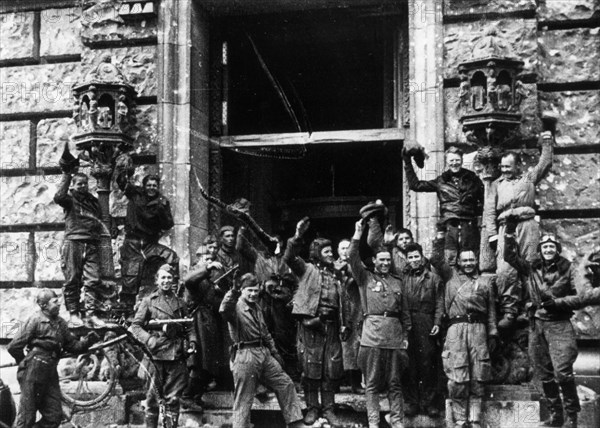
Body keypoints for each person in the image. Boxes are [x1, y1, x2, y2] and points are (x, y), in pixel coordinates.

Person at [504, 225, 581, 428]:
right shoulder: (532, 267)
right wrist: (509, 234)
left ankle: (572, 416)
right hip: (537, 324)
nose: (548, 250)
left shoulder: (568, 268)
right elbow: (510, 257)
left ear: (557, 249)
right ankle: (556, 415)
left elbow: (579, 296)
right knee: (544, 373)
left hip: (559, 325)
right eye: (544, 246)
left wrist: (558, 303)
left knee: (562, 371)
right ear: (540, 249)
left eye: (551, 246)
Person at [483, 131, 554, 328]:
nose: (504, 170)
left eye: (508, 167)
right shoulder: (496, 186)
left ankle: (528, 308)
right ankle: (510, 310)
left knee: (530, 265)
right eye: (502, 167)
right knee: (505, 270)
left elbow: (545, 162)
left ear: (518, 166)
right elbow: (489, 212)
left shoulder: (529, 179)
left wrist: (547, 140)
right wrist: (492, 235)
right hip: (506, 228)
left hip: (528, 227)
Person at [219, 273, 304, 428]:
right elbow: (224, 309)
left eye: (256, 291)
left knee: (285, 383)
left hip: (263, 353)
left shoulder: (257, 307)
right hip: (245, 354)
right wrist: (233, 291)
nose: (253, 294)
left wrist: (275, 352)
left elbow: (265, 333)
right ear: (242, 290)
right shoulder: (236, 307)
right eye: (249, 290)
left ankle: (295, 423)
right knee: (243, 399)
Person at [349, 220, 411, 428]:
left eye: (387, 260)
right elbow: (352, 257)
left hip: (394, 337)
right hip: (373, 336)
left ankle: (397, 421)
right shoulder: (365, 277)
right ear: (374, 261)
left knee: (395, 383)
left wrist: (405, 338)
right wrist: (358, 235)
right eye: (381, 260)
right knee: (372, 384)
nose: (385, 263)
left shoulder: (397, 281)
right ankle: (373, 422)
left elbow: (404, 313)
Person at [284, 217, 346, 425]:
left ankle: (329, 409)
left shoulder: (337, 274)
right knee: (311, 368)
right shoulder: (307, 269)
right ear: (318, 253)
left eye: (332, 251)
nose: (331, 254)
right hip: (312, 325)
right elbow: (290, 257)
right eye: (327, 251)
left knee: (331, 368)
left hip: (332, 326)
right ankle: (312, 408)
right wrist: (298, 235)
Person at [8, 289, 100, 428]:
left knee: (54, 416)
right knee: (27, 418)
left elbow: (72, 346)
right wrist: (25, 363)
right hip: (33, 371)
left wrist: (89, 340)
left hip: (50, 372)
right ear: (44, 305)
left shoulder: (61, 323)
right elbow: (14, 346)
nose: (59, 304)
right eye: (55, 302)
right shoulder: (35, 320)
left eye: (59, 301)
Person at [431, 235, 498, 428]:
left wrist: (492, 332)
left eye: (471, 260)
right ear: (458, 262)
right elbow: (435, 258)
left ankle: (475, 419)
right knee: (457, 377)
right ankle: (460, 420)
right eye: (465, 260)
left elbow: (492, 310)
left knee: (478, 375)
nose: (468, 263)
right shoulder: (450, 276)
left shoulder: (485, 282)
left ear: (476, 261)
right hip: (456, 330)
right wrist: (440, 236)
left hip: (479, 330)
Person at [129, 264, 196, 428]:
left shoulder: (181, 303)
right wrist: (149, 339)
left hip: (176, 355)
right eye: (163, 278)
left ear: (173, 281)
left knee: (173, 399)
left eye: (169, 278)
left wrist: (193, 341)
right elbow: (135, 326)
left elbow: (189, 327)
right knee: (152, 399)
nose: (166, 281)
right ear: (157, 280)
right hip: (155, 356)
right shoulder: (148, 302)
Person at [404, 146, 484, 266]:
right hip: (449, 228)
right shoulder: (441, 181)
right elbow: (416, 185)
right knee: (449, 262)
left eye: (457, 160)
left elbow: (483, 201)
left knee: (470, 260)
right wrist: (407, 161)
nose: (454, 163)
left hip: (469, 228)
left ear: (462, 160)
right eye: (451, 160)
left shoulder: (473, 179)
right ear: (447, 162)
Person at [116, 170, 178, 314]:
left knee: (171, 257)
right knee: (131, 276)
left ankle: (172, 295)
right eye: (149, 185)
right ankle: (127, 311)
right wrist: (124, 168)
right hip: (133, 243)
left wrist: (162, 210)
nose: (151, 188)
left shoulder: (162, 202)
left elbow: (168, 224)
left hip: (150, 244)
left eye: (154, 185)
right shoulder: (135, 194)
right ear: (144, 186)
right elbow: (121, 182)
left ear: (158, 187)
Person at [54, 170, 105, 328]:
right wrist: (67, 175)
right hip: (74, 242)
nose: (83, 186)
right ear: (73, 186)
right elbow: (58, 197)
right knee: (72, 279)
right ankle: (74, 314)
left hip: (91, 244)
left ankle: (91, 314)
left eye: (85, 183)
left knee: (93, 279)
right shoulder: (69, 200)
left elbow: (100, 219)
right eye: (79, 184)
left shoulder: (93, 201)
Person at [401, 242, 444, 418]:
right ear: (406, 259)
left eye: (416, 256)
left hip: (426, 321)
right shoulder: (402, 279)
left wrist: (437, 322)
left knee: (428, 362)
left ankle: (429, 403)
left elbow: (440, 303)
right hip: (407, 321)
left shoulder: (434, 279)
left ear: (422, 256)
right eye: (410, 257)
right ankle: (412, 402)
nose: (414, 260)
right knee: (408, 363)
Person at [182, 250, 224, 409]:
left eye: (211, 259)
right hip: (197, 323)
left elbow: (216, 304)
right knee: (198, 361)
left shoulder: (210, 282)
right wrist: (207, 267)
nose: (210, 262)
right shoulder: (194, 277)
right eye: (206, 259)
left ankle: (197, 396)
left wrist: (220, 293)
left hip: (209, 324)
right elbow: (189, 280)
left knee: (209, 363)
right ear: (198, 260)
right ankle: (187, 396)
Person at [260, 273, 300, 380]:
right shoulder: (267, 294)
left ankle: (291, 377)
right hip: (273, 324)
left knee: (286, 348)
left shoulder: (284, 293)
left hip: (283, 326)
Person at [336, 238, 364, 393]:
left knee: (354, 347)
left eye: (348, 248)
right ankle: (336, 382)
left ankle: (355, 383)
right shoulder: (333, 266)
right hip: (338, 309)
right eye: (342, 248)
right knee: (337, 347)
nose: (345, 251)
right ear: (337, 250)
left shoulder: (357, 265)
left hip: (355, 310)